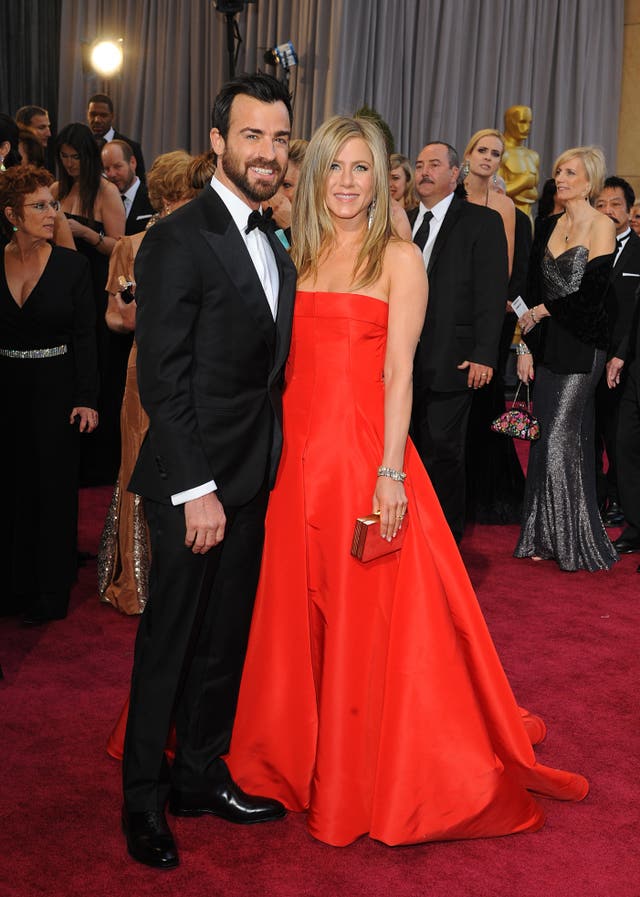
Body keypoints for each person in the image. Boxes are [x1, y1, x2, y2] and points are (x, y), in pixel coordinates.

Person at [226, 115, 588, 848]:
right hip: (296, 462)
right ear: (316, 175)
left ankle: (361, 763)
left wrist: (391, 471)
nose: (350, 183)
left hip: (365, 460)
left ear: (381, 177)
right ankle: (290, 750)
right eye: (337, 168)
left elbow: (399, 377)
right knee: (296, 608)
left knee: (365, 615)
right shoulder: (297, 252)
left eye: (364, 169)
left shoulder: (397, 261)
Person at [120, 72, 296, 870]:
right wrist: (195, 489)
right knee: (171, 642)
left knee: (225, 640)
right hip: (193, 483)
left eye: (279, 138)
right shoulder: (177, 236)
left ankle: (200, 774)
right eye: (251, 135)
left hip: (252, 476)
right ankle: (143, 802)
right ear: (219, 141)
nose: (267, 151)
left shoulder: (277, 239)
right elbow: (162, 374)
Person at [97, 151, 198, 615]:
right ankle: (137, 578)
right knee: (138, 458)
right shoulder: (131, 245)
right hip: (144, 367)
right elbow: (114, 319)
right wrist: (142, 313)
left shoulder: (204, 241)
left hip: (195, 367)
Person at [0, 164, 98, 622]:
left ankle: (48, 591)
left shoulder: (72, 266)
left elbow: (86, 337)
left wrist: (87, 397)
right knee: (10, 489)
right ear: (11, 213)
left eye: (53, 204)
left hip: (57, 390)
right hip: (7, 391)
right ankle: (10, 587)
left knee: (52, 490)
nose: (50, 213)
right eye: (38, 205)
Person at [514, 146, 618, 572]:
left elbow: (592, 299)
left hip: (583, 347)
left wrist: (544, 311)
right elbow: (527, 291)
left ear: (589, 181)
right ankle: (543, 535)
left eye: (570, 172)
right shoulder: (547, 225)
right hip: (546, 346)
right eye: (558, 170)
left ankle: (572, 539)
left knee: (561, 435)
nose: (561, 177)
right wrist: (523, 343)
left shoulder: (603, 225)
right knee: (546, 440)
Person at [408, 141, 508, 542]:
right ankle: (411, 536)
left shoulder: (481, 222)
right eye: (418, 165)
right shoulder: (404, 220)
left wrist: (484, 352)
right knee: (408, 451)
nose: (424, 172)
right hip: (402, 361)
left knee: (444, 452)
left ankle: (445, 542)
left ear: (455, 174)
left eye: (434, 164)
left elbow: (490, 291)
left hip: (454, 360)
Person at [53, 122, 127, 485]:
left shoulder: (105, 191)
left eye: (74, 157)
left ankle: (99, 461)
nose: (69, 164)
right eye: (63, 157)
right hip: (62, 286)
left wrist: (87, 234)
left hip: (96, 282)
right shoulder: (55, 190)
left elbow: (120, 246)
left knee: (97, 363)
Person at [460, 132, 524, 525]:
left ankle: (483, 489)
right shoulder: (453, 195)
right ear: (467, 155)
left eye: (495, 153)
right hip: (447, 314)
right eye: (482, 150)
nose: (488, 158)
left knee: (484, 401)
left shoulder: (504, 205)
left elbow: (507, 264)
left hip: (489, 316)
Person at [593, 176, 640, 526]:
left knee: (619, 436)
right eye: (601, 204)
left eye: (615, 205)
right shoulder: (588, 247)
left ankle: (623, 500)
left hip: (624, 360)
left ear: (629, 210)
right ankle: (595, 499)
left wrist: (622, 353)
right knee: (588, 434)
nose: (608, 211)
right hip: (586, 356)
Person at [87, 93, 146, 181]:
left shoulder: (131, 147)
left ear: (112, 116)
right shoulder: (81, 145)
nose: (97, 120)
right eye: (93, 114)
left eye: (103, 115)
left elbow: (139, 185)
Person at [101, 139, 153, 235]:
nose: (112, 174)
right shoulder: (101, 201)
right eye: (107, 169)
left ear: (132, 162)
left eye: (117, 166)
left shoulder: (153, 199)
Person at [499, 105, 539, 223]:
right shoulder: (499, 153)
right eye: (522, 122)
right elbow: (493, 191)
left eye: (529, 123)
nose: (527, 128)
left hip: (527, 216)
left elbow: (534, 193)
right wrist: (523, 182)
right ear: (509, 122)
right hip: (503, 216)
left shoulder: (533, 156)